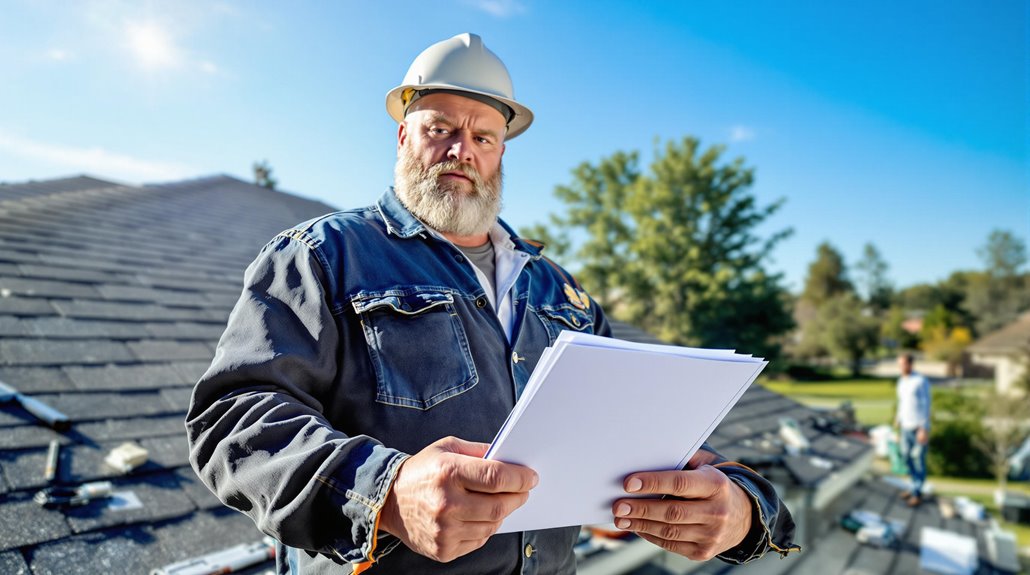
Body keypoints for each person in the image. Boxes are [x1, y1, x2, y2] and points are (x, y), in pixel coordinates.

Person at [186, 33, 797, 574]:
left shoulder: (559, 291)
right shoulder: (322, 256)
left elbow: (642, 434)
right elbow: (233, 420)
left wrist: (743, 507)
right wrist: (386, 492)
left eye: (483, 135)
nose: (462, 150)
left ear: (502, 151)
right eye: (440, 129)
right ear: (403, 136)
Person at [894, 353, 931, 507]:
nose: (901, 367)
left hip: (918, 428)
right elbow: (902, 402)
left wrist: (923, 428)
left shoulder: (920, 381)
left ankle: (917, 493)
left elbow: (926, 405)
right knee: (905, 457)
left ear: (910, 364)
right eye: (899, 364)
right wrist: (897, 417)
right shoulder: (901, 381)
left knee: (918, 461)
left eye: (903, 364)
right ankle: (913, 485)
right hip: (905, 426)